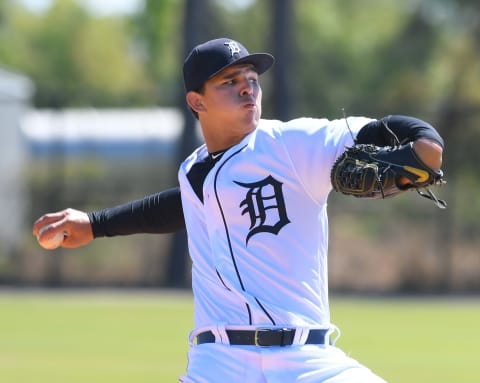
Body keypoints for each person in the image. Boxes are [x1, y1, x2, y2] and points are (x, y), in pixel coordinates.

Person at [33, 37, 444, 382]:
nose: (248, 88)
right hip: (219, 365)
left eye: (252, 79)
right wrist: (95, 224)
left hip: (306, 362)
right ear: (197, 101)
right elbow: (178, 207)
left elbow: (415, 141)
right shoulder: (193, 173)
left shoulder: (292, 144)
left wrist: (422, 146)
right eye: (230, 82)